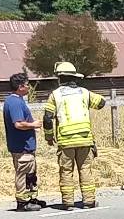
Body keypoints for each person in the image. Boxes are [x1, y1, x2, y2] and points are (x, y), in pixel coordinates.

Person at [42, 61, 107, 208]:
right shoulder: (84, 93)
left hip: (65, 141)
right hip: (85, 139)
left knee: (66, 171)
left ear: (60, 78)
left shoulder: (55, 95)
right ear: (74, 77)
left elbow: (47, 118)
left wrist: (49, 136)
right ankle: (89, 201)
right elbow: (102, 103)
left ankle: (68, 202)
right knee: (85, 170)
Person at [3, 73, 45, 212]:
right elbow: (19, 124)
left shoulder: (18, 100)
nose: (29, 87)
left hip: (27, 146)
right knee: (23, 173)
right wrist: (34, 125)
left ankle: (32, 198)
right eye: (27, 84)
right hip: (21, 147)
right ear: (20, 86)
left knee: (30, 174)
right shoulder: (14, 102)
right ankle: (22, 202)